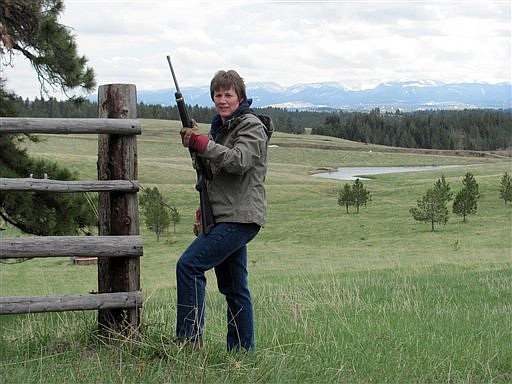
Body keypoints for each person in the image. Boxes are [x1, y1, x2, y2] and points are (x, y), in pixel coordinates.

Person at [176, 69, 273, 351]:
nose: (222, 100)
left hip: (241, 217)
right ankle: (242, 352)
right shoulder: (221, 127)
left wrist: (202, 143)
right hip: (225, 216)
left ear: (240, 96)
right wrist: (197, 147)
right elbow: (211, 172)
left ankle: (189, 342)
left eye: (228, 94)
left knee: (189, 265)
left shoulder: (251, 126)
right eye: (217, 95)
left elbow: (239, 161)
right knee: (234, 289)